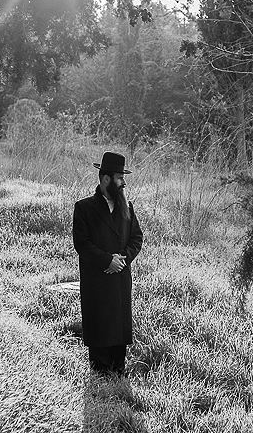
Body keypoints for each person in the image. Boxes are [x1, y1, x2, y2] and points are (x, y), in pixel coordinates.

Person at [72, 151, 143, 376]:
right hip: (97, 275)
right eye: (120, 178)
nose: (123, 183)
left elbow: (137, 238)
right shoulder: (84, 208)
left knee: (119, 319)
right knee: (99, 317)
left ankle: (118, 367)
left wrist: (122, 259)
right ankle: (101, 369)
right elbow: (81, 243)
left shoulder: (127, 207)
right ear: (106, 179)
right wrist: (107, 260)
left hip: (120, 274)